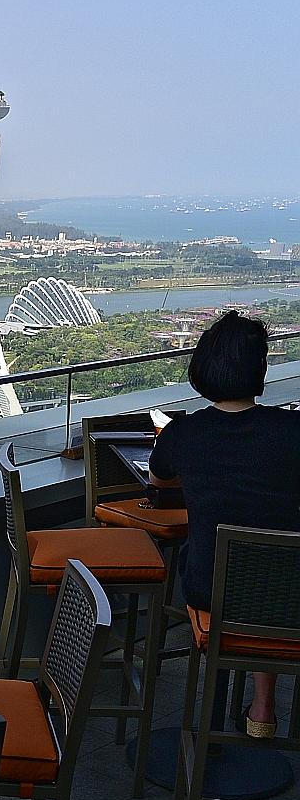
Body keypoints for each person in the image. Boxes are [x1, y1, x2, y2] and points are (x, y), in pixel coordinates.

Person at [149, 311, 300, 737]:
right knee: (270, 577)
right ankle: (263, 707)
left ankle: (207, 736)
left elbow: (158, 479)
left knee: (220, 569)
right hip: (288, 592)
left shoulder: (183, 433)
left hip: (210, 587)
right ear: (260, 368)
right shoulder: (292, 429)